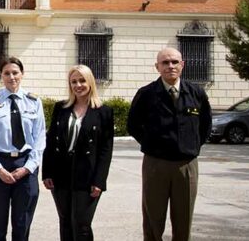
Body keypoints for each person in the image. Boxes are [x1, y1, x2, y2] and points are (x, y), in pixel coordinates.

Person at [127, 47, 212, 241]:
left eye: (174, 62)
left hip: (187, 165)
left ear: (182, 65)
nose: (170, 66)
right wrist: (152, 145)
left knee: (184, 219)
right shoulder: (146, 94)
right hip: (156, 164)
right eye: (165, 62)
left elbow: (205, 125)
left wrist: (192, 146)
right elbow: (133, 125)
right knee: (153, 219)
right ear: (157, 67)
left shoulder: (196, 93)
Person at [42, 65, 114, 241]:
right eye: (73, 82)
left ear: (90, 82)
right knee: (65, 220)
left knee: (82, 223)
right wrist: (47, 172)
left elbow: (105, 150)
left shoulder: (103, 111)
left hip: (87, 174)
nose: (78, 85)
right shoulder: (61, 108)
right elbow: (50, 142)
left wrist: (99, 180)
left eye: (82, 81)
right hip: (61, 173)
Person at [0, 57, 46, 241]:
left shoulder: (34, 101)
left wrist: (27, 168)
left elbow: (40, 138)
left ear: (22, 74)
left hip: (25, 165)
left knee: (22, 228)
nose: (11, 77)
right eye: (7, 73)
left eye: (15, 72)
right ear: (1, 75)